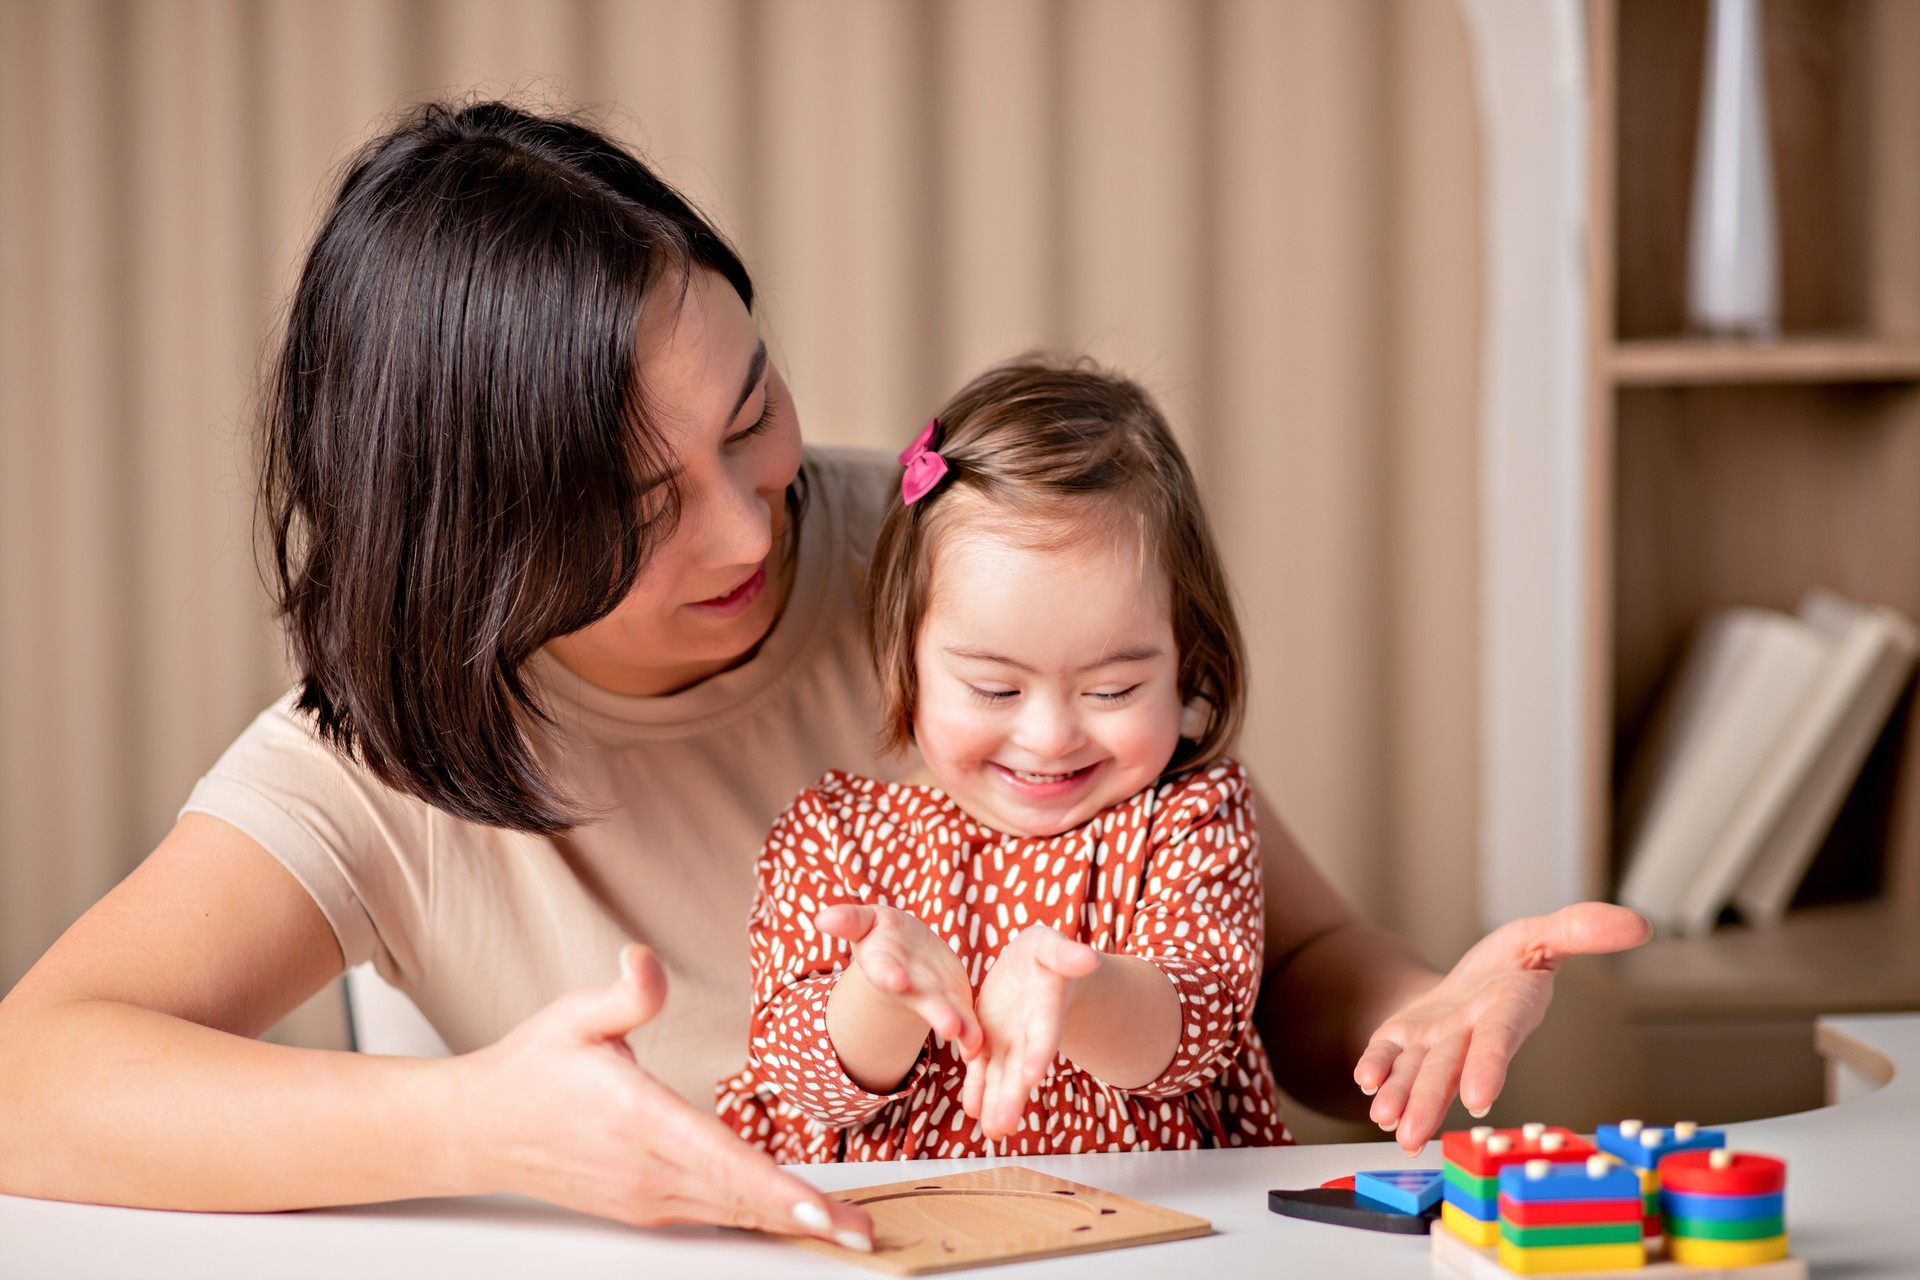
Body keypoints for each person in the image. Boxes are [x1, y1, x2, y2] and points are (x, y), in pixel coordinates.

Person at [0, 101, 1648, 1243]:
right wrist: (473, 1127)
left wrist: (1410, 1019)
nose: (752, 525)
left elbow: (1288, 965)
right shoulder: (382, 757)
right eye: (645, 510)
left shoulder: (942, 556)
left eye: (752, 410)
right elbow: (35, 1076)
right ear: (479, 539)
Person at [719, 358, 1289, 1163]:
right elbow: (798, 1076)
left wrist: (1081, 991)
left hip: (1154, 1228)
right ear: (905, 661)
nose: (1052, 736)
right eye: (993, 689)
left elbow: (1202, 1024)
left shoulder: (1191, 815)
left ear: (1186, 658)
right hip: (902, 1231)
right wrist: (881, 994)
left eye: (1115, 688)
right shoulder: (835, 835)